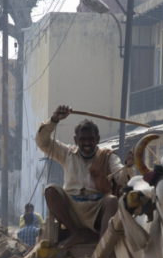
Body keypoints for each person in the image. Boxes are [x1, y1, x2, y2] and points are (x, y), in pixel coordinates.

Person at [36, 105, 128, 247]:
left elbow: (122, 177)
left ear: (97, 139)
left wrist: (129, 167)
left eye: (91, 139)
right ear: (75, 139)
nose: (87, 143)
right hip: (71, 210)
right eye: (83, 139)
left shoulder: (107, 156)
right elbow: (43, 142)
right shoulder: (67, 153)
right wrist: (54, 119)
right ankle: (77, 233)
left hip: (98, 208)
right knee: (50, 190)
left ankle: (103, 247)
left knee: (111, 201)